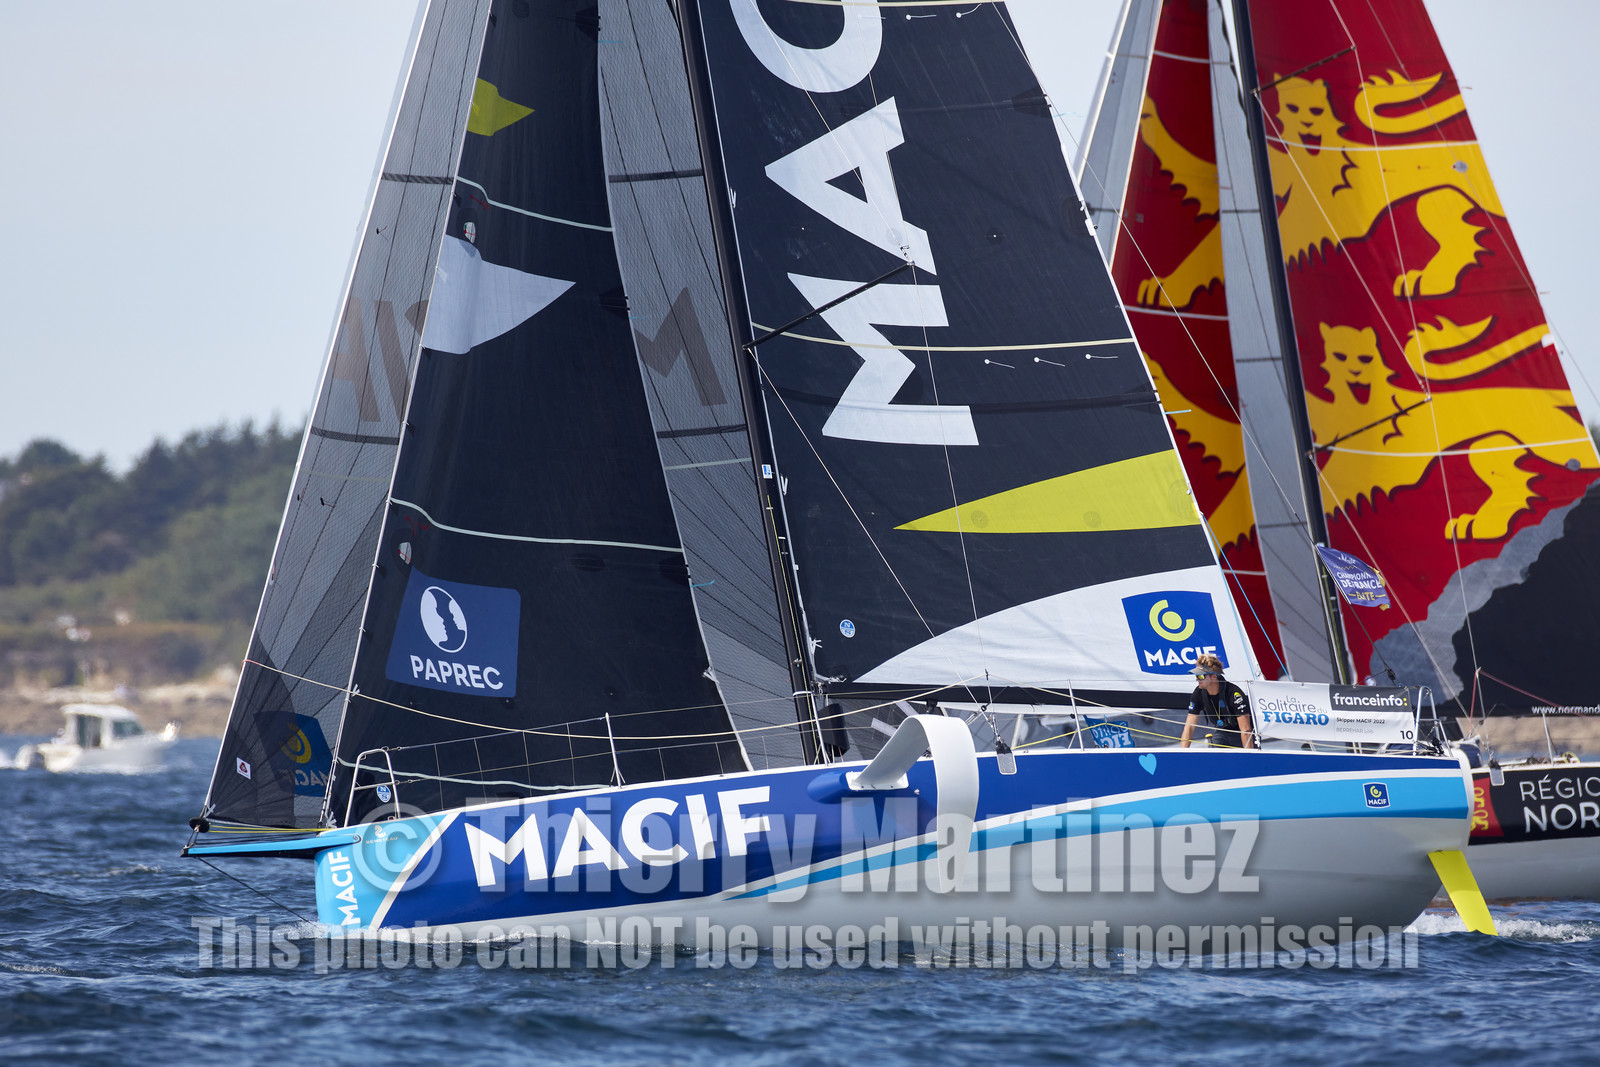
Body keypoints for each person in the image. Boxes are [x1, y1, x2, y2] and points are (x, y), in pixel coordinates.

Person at [1179, 654, 1254, 749]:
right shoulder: (1198, 693)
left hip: (1242, 733)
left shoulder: (1234, 693)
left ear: (1214, 677)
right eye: (1196, 676)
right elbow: (1189, 726)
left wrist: (1249, 757)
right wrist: (1182, 754)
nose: (1197, 679)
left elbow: (1246, 730)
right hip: (1222, 732)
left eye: (1201, 676)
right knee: (1215, 754)